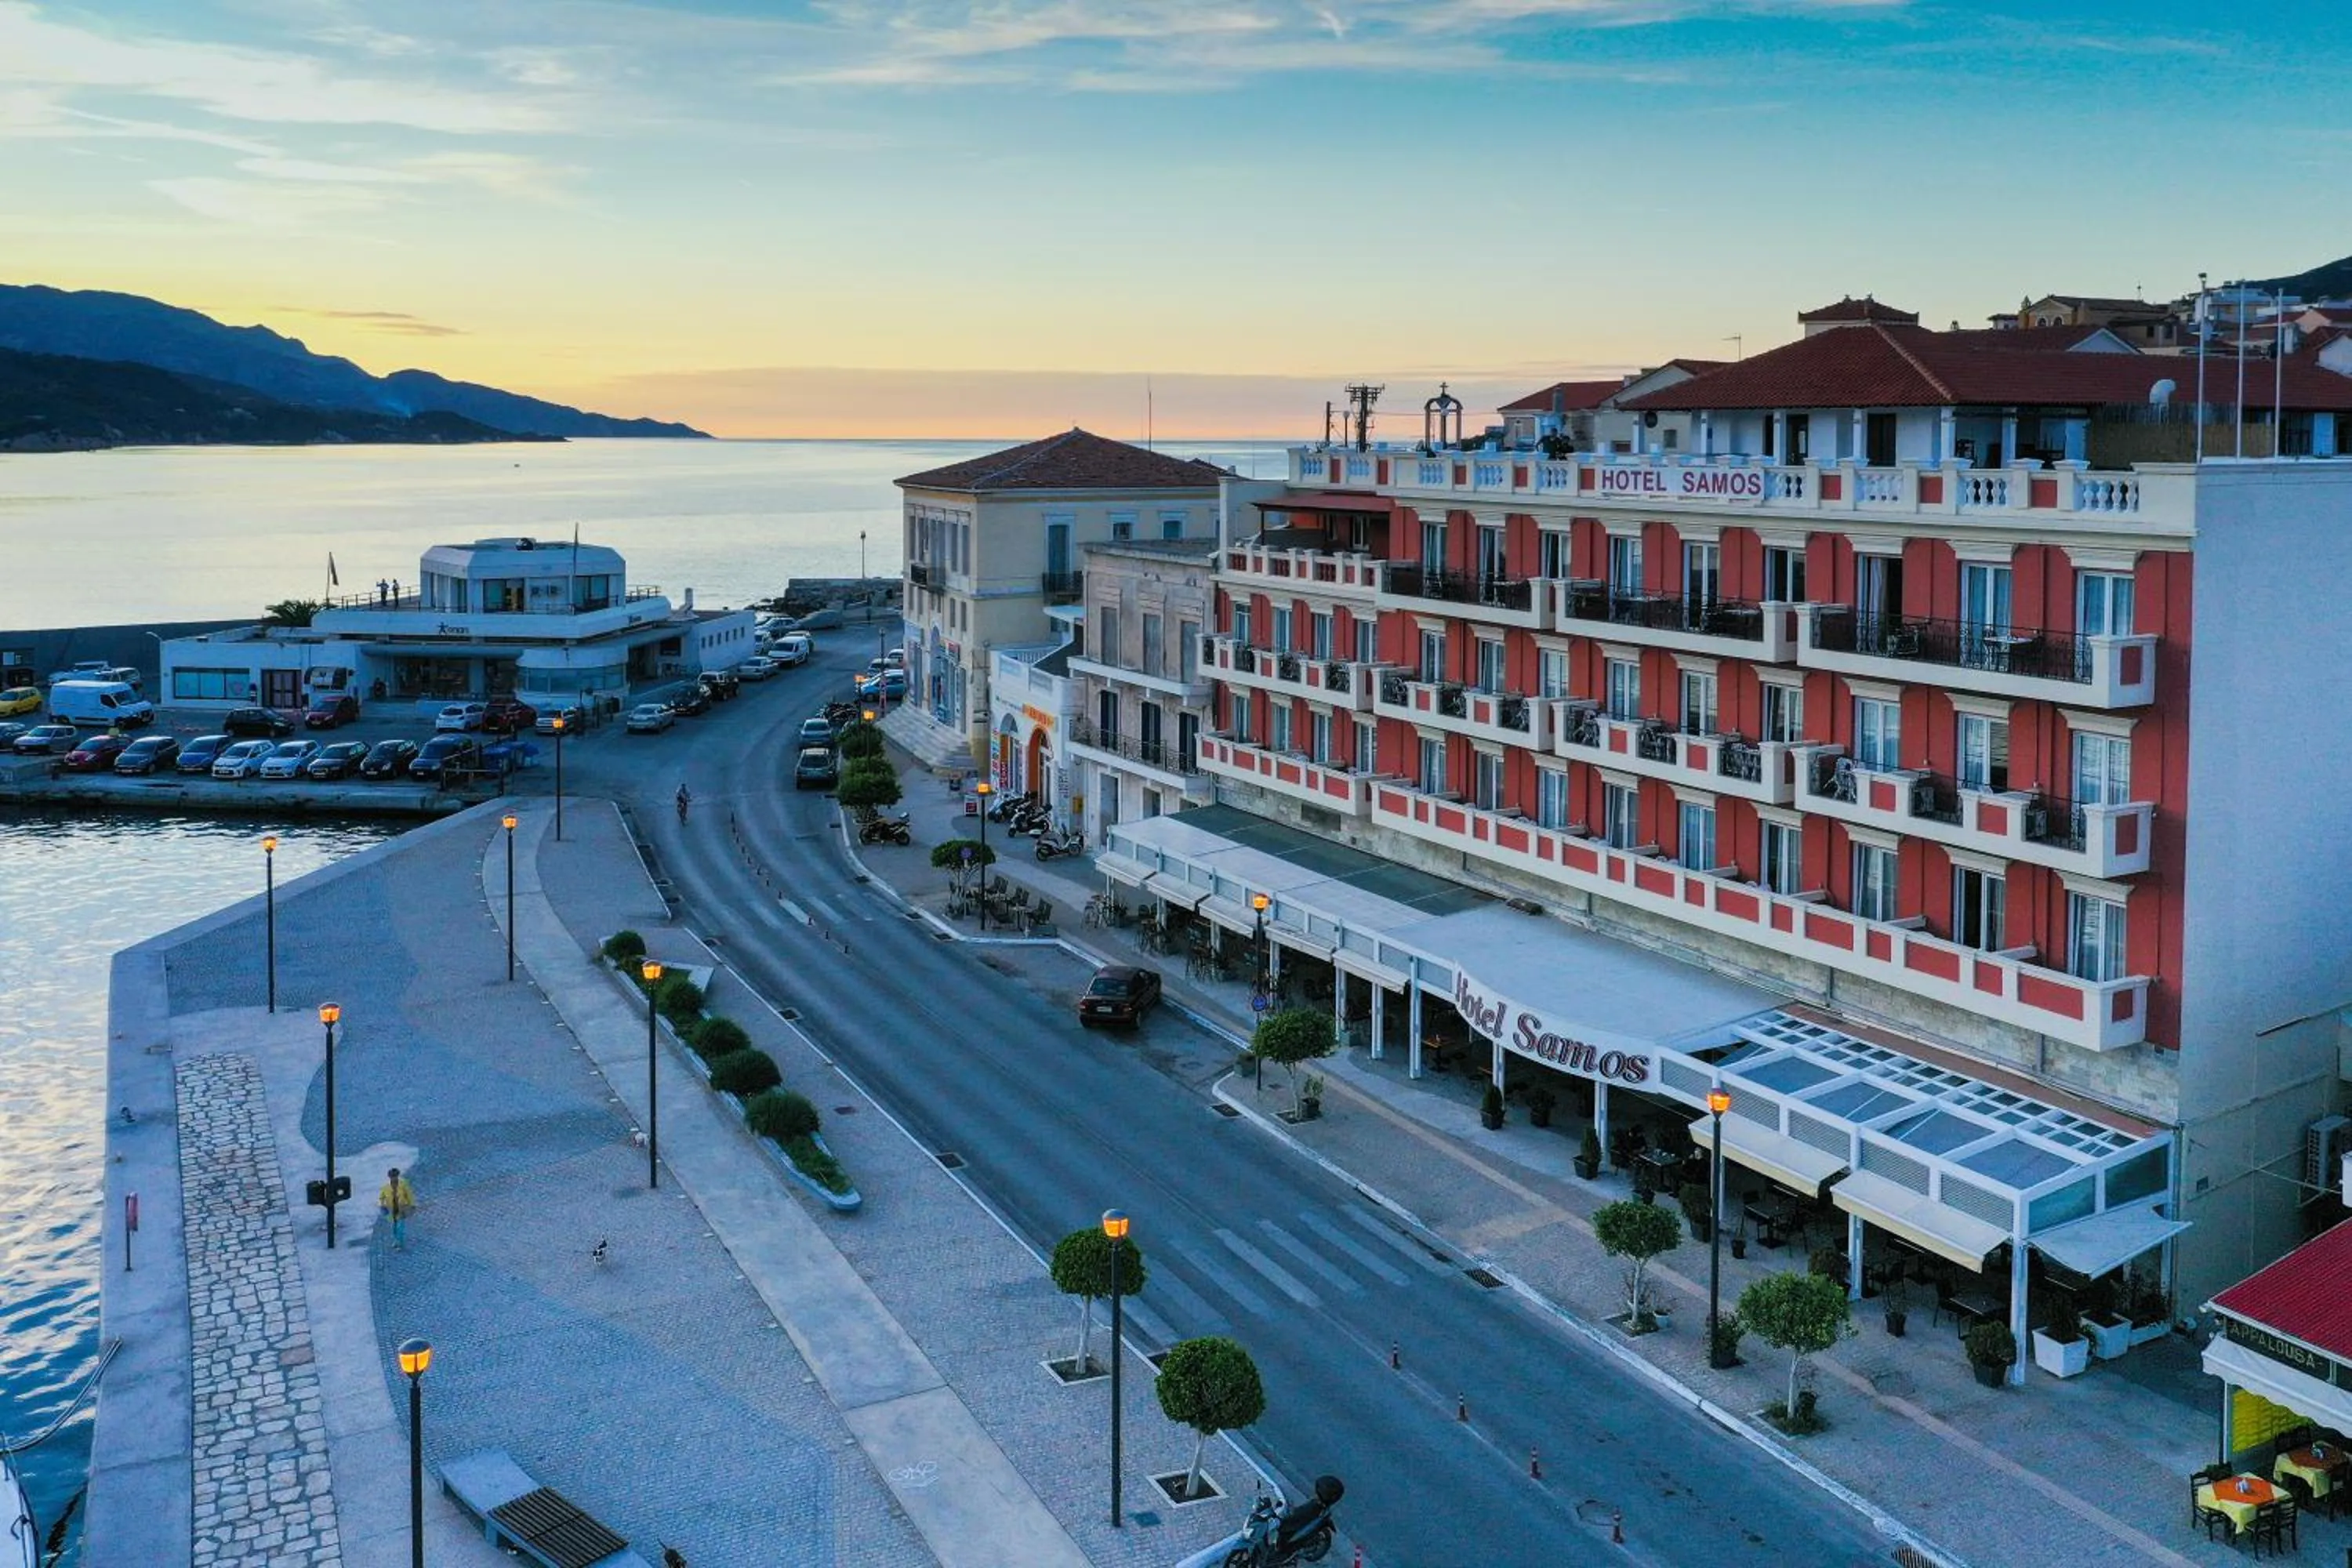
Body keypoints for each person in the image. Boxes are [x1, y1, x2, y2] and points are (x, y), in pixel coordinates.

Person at [379, 1167, 416, 1250]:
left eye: (395, 1176)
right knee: (394, 1227)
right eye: (392, 1176)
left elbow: (409, 1195)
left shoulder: (403, 1185)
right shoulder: (386, 1187)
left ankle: (399, 1243)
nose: (394, 1178)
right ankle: (396, 1240)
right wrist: (382, 1206)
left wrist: (412, 1205)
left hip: (401, 1209)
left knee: (400, 1227)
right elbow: (381, 1197)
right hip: (391, 1209)